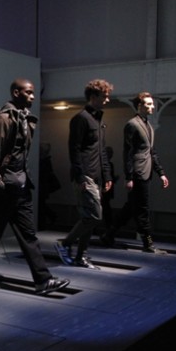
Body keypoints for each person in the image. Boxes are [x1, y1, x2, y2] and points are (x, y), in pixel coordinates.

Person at [0, 78, 69, 295]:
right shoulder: (3, 119)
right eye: (28, 92)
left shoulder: (25, 118)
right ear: (16, 93)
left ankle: (43, 280)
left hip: (20, 189)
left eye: (33, 93)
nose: (32, 96)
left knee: (29, 236)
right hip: (3, 190)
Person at [54, 79, 113, 269]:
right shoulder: (81, 118)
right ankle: (64, 244)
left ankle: (81, 256)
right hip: (85, 175)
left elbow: (102, 151)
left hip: (96, 177)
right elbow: (74, 149)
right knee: (94, 216)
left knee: (89, 217)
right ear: (93, 96)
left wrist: (107, 176)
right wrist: (80, 176)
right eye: (104, 96)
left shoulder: (99, 120)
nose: (107, 100)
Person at [100, 92, 169, 253]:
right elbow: (128, 152)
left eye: (152, 104)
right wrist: (129, 176)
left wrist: (161, 173)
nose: (152, 106)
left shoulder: (148, 126)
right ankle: (148, 243)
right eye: (148, 104)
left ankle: (109, 234)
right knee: (142, 209)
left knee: (131, 207)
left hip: (146, 172)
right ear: (139, 105)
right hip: (138, 173)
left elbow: (152, 152)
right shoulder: (132, 124)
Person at [38, 142, 60, 230]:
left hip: (42, 187)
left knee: (41, 205)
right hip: (44, 187)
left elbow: (44, 175)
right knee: (41, 205)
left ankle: (44, 222)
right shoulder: (46, 161)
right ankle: (49, 218)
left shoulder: (43, 162)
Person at [100, 146, 118, 233]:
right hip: (104, 190)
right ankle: (108, 226)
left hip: (106, 190)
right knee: (106, 209)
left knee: (105, 208)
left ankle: (107, 226)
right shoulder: (107, 165)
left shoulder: (107, 165)